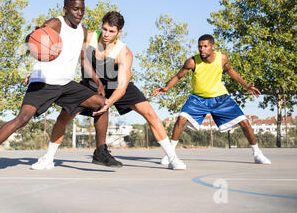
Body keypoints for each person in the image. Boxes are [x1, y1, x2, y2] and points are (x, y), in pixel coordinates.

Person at [0, 0, 107, 176]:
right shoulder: (55, 23)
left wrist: (97, 80)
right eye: (75, 9)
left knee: (102, 104)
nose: (79, 13)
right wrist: (29, 62)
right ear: (65, 9)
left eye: (82, 9)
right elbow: (30, 40)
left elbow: (82, 58)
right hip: (44, 82)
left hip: (66, 84)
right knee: (22, 119)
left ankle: (100, 152)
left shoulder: (82, 31)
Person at [31, 11, 186, 171]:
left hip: (115, 85)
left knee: (150, 113)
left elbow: (122, 86)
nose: (106, 34)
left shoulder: (123, 52)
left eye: (111, 31)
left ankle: (173, 158)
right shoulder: (88, 38)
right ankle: (48, 158)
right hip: (90, 84)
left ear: (119, 32)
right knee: (63, 117)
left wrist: (109, 103)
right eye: (104, 29)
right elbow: (56, 47)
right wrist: (38, 70)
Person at [152, 34, 271, 166]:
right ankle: (171, 154)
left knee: (244, 122)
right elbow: (178, 76)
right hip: (198, 99)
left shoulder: (222, 58)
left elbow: (231, 71)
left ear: (212, 47)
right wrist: (166, 87)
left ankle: (257, 154)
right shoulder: (192, 61)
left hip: (221, 99)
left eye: (205, 46)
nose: (202, 49)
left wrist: (247, 86)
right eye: (199, 46)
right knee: (181, 119)